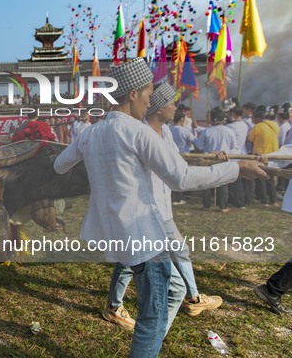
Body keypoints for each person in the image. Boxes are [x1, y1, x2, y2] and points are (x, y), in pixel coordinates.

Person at [53, 58, 268, 357]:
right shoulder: (137, 132)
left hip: (115, 232)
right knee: (151, 320)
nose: (150, 100)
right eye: (148, 93)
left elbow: (59, 165)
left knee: (169, 295)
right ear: (133, 94)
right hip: (143, 237)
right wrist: (236, 169)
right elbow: (181, 177)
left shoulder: (90, 133)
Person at [102, 82, 223, 332]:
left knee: (136, 260)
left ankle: (117, 306)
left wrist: (211, 160)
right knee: (157, 257)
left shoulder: (165, 133)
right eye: (172, 103)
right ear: (158, 108)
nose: (176, 108)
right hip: (146, 211)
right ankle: (190, 300)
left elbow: (178, 164)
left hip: (161, 209)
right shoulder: (139, 133)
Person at [195, 107, 238, 212]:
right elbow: (234, 147)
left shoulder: (207, 131)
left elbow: (199, 145)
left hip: (210, 159)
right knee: (223, 183)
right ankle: (223, 206)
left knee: (207, 182)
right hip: (224, 159)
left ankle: (206, 205)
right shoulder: (230, 131)